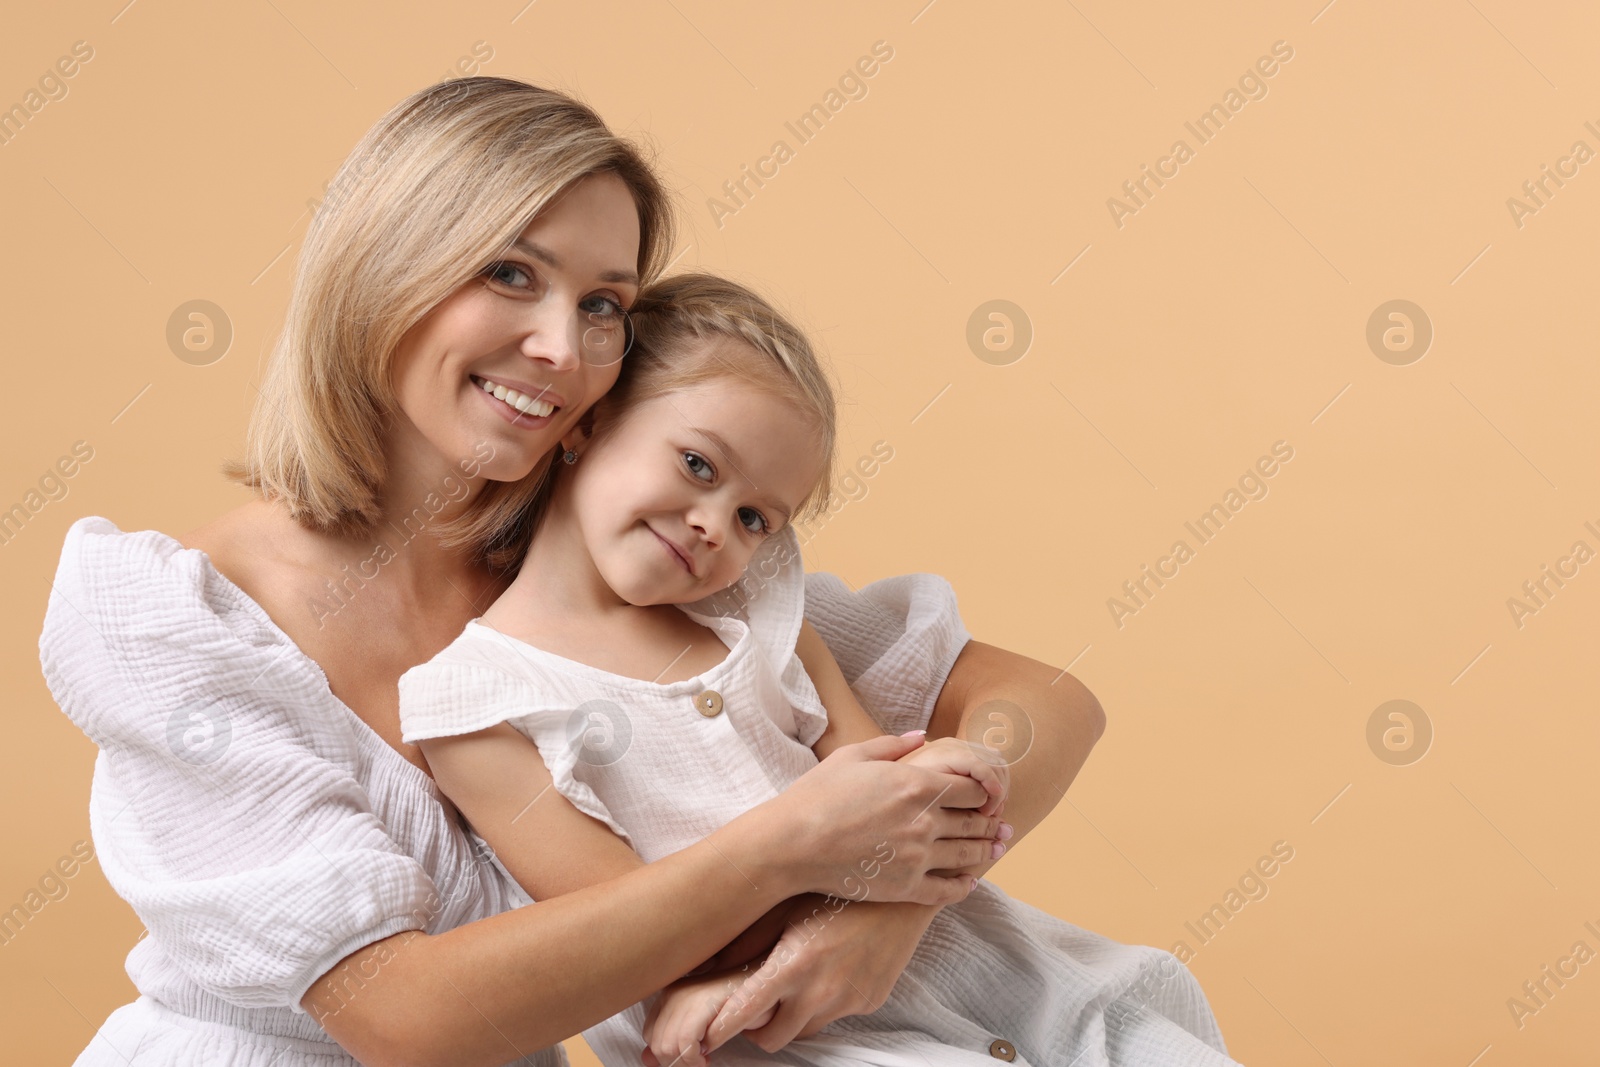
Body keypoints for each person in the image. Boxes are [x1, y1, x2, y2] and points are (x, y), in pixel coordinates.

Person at [37, 76, 1106, 1067]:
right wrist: (794, 848)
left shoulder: (632, 555)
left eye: (603, 303)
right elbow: (401, 1013)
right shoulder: (178, 622)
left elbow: (1038, 707)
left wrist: (879, 914)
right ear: (382, 268)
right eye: (511, 272)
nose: (563, 346)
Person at [397, 272, 1240, 1067]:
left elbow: (899, 792)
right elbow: (646, 935)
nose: (712, 525)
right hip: (795, 1035)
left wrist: (946, 785)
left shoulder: (758, 616)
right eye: (696, 464)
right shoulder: (479, 703)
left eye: (757, 516)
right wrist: (860, 852)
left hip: (1017, 980)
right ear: (585, 425)